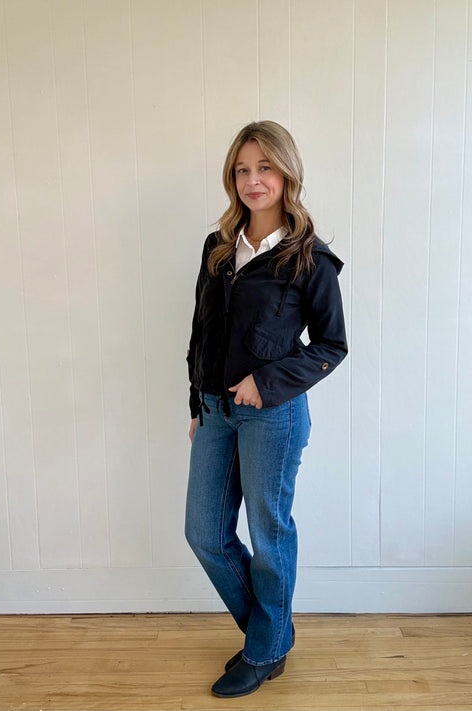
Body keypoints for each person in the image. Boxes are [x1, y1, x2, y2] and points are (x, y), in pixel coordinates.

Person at [185, 120, 347, 698]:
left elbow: (332, 346)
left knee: (268, 534)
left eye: (265, 167)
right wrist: (196, 399)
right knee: (204, 534)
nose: (253, 180)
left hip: (272, 416)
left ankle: (264, 648)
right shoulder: (219, 247)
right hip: (214, 411)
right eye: (242, 169)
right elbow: (202, 329)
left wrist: (266, 381)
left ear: (287, 173)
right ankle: (273, 635)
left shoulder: (310, 258)